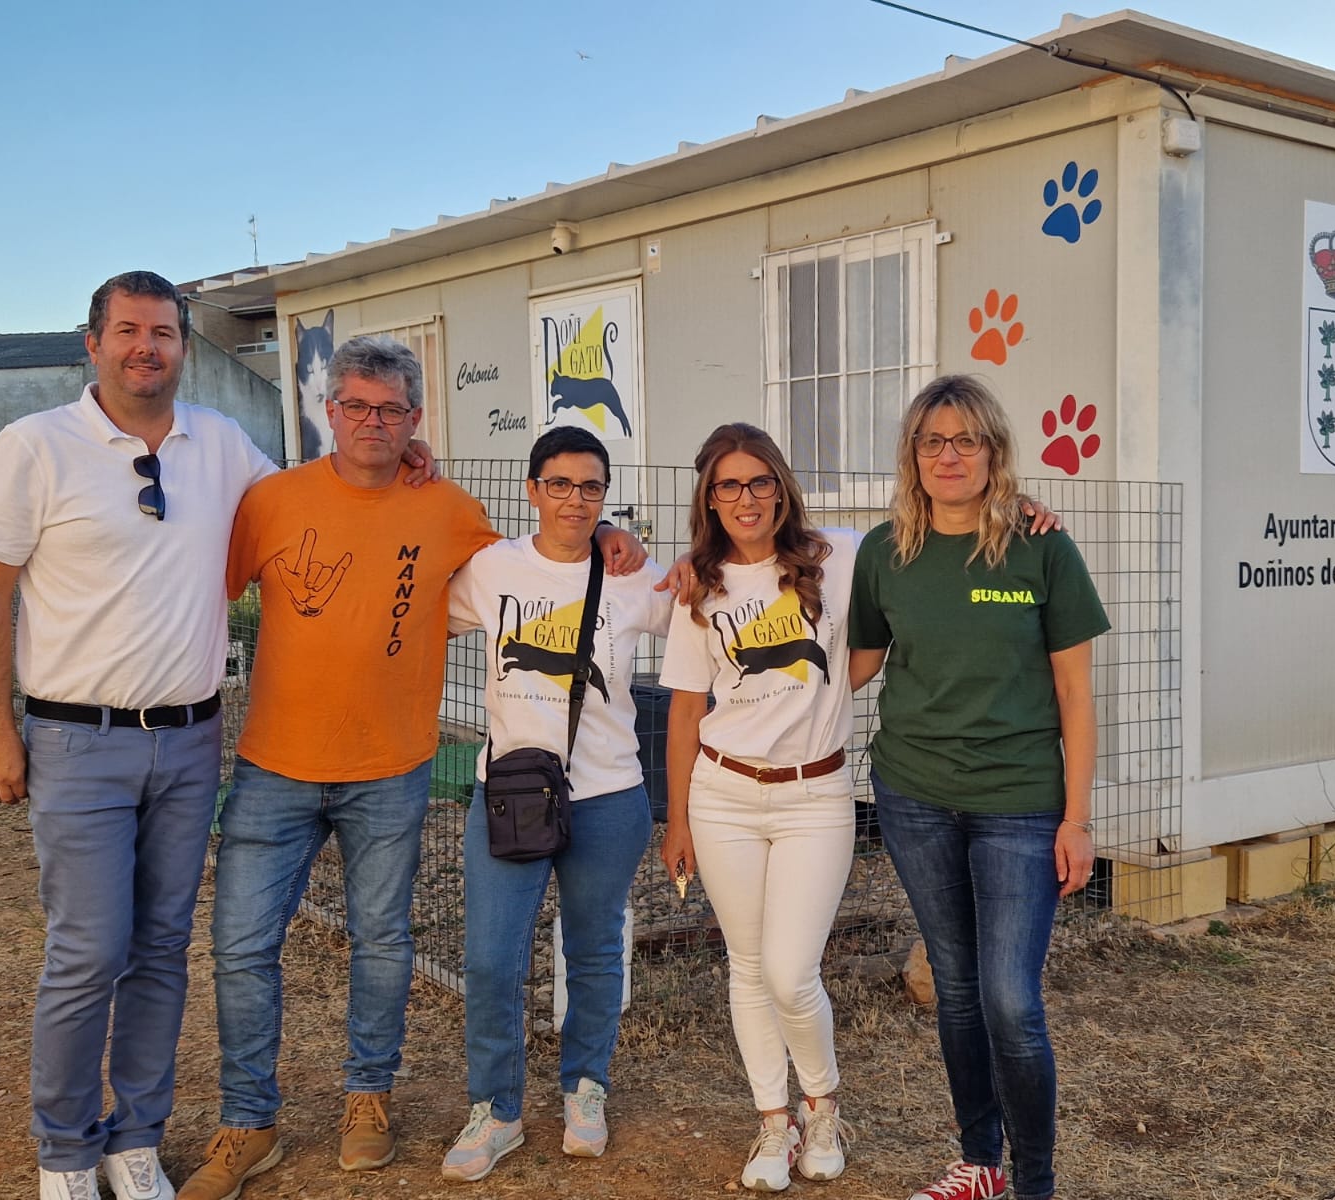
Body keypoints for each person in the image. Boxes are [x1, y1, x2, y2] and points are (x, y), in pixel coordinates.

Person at [178, 343, 646, 1200]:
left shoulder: (446, 507)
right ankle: (249, 1120)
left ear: (415, 421)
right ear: (328, 407)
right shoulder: (271, 501)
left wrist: (609, 534)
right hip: (272, 764)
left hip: (391, 768)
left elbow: (546, 554)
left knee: (384, 944)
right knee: (243, 946)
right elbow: (200, 586)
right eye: (356, 406)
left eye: (391, 410)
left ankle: (369, 1100)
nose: (372, 423)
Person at [0, 271, 280, 1200]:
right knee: (88, 950)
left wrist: (401, 457)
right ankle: (64, 1149)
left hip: (188, 741)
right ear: (93, 343)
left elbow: (304, 512)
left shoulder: (218, 443)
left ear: (184, 346)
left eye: (166, 333)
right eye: (130, 331)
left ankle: (134, 1139)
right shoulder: (37, 447)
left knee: (160, 948)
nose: (150, 347)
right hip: (76, 743)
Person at [848, 375, 1109, 1200]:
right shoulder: (884, 552)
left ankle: (1035, 1182)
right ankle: (981, 1164)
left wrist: (1078, 818)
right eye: (933, 441)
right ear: (912, 456)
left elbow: (1075, 694)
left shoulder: (1042, 548)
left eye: (966, 440)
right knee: (956, 987)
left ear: (993, 451)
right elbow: (855, 663)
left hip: (1020, 806)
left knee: (1009, 998)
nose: (949, 454)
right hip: (913, 795)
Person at [439, 425, 672, 1183]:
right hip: (509, 792)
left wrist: (626, 540)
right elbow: (414, 603)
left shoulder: (631, 577)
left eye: (592, 487)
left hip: (609, 794)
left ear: (607, 496)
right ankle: (496, 1109)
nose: (576, 499)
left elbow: (708, 600)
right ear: (533, 488)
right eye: (561, 484)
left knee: (595, 949)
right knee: (491, 957)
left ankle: (585, 1089)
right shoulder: (491, 568)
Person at [656, 423, 860, 1192]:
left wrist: (1021, 505)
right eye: (729, 486)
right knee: (746, 967)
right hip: (724, 794)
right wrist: (677, 817)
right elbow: (682, 711)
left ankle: (824, 1104)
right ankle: (772, 1123)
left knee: (789, 969)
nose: (747, 498)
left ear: (782, 486)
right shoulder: (697, 587)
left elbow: (928, 529)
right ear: (710, 498)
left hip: (816, 795)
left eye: (760, 481)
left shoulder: (835, 558)